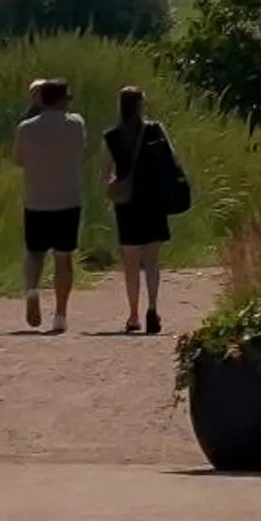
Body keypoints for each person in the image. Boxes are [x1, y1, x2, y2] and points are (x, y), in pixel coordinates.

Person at [10, 76, 88, 333]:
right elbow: (80, 149)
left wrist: (35, 106)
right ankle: (61, 314)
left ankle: (32, 289)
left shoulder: (26, 128)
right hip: (67, 199)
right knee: (63, 258)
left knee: (34, 253)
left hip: (36, 199)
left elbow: (19, 161)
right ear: (64, 99)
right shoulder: (76, 124)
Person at [103, 85, 178, 335]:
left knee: (131, 262)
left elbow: (105, 174)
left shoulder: (112, 136)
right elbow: (172, 160)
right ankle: (153, 308)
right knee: (152, 261)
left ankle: (133, 314)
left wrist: (117, 183)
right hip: (154, 200)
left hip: (128, 204)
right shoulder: (155, 130)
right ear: (140, 105)